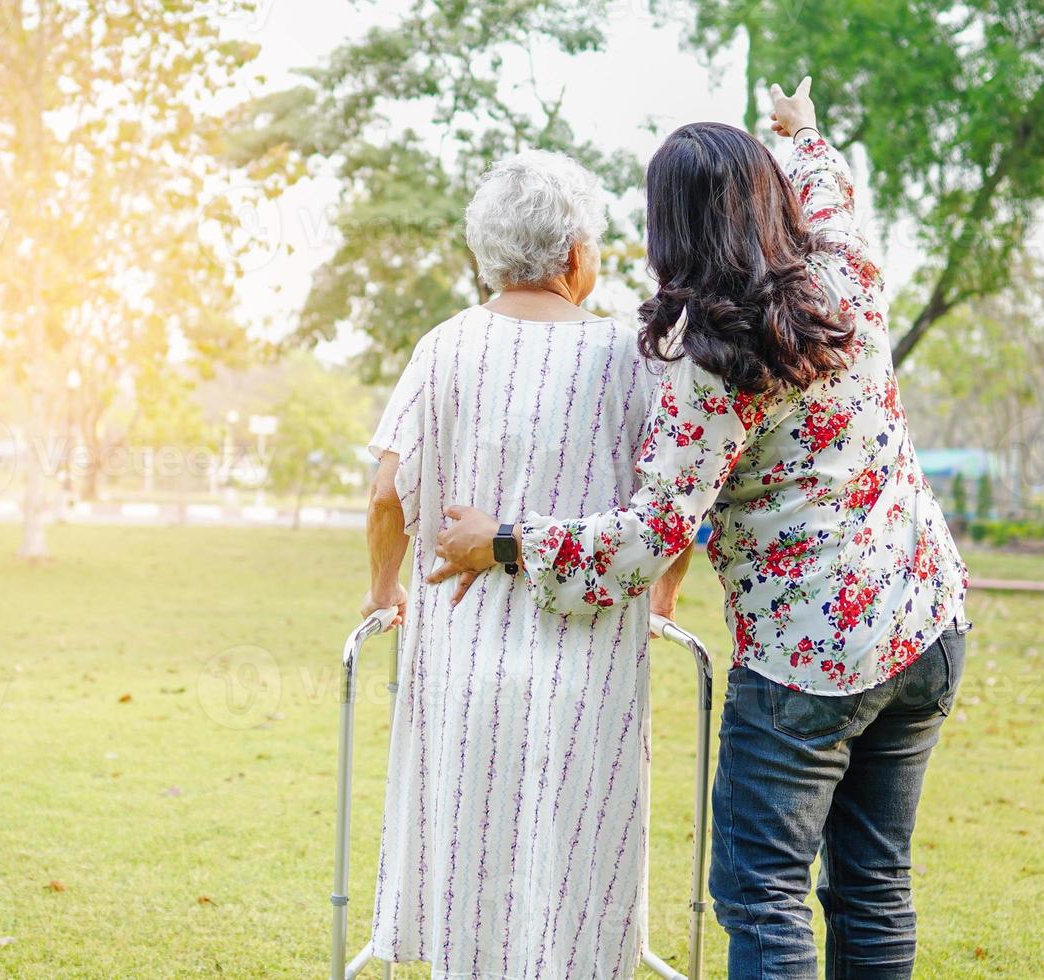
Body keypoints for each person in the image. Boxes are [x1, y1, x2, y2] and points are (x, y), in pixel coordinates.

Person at [432, 79, 968, 979]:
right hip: (924, 618)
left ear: (668, 230)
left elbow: (650, 537)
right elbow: (828, 192)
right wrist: (802, 131)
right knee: (873, 885)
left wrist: (502, 542)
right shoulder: (849, 274)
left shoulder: (714, 362)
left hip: (808, 665)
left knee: (761, 894)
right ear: (768, 196)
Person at [361, 149, 686, 979]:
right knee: (579, 864)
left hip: (462, 664)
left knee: (468, 859)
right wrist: (664, 598)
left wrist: (382, 587)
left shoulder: (443, 347)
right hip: (591, 669)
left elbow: (386, 493)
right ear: (576, 254)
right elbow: (674, 507)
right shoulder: (632, 356)